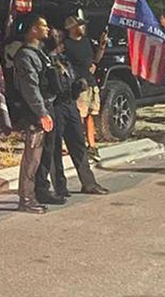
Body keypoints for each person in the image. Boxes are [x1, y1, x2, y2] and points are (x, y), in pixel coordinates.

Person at [38, 29, 108, 202]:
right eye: (55, 37)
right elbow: (47, 86)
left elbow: (71, 81)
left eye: (59, 37)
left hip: (70, 104)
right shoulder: (45, 61)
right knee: (54, 148)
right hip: (56, 106)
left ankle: (89, 182)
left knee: (78, 143)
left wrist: (78, 86)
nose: (59, 40)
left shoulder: (64, 60)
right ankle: (60, 187)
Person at [5, 14, 56, 214]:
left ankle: (34, 193)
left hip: (45, 107)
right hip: (35, 112)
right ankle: (26, 198)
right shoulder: (26, 56)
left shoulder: (39, 53)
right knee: (32, 156)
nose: (47, 29)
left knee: (41, 155)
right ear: (33, 30)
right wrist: (42, 113)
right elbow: (30, 88)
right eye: (43, 26)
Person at [62, 15, 107, 161]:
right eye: (80, 25)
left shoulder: (87, 42)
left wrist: (102, 46)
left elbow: (96, 59)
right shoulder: (66, 45)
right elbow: (61, 63)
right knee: (78, 117)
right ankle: (78, 146)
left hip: (91, 84)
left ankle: (92, 146)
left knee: (90, 115)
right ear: (72, 28)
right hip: (78, 86)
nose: (83, 28)